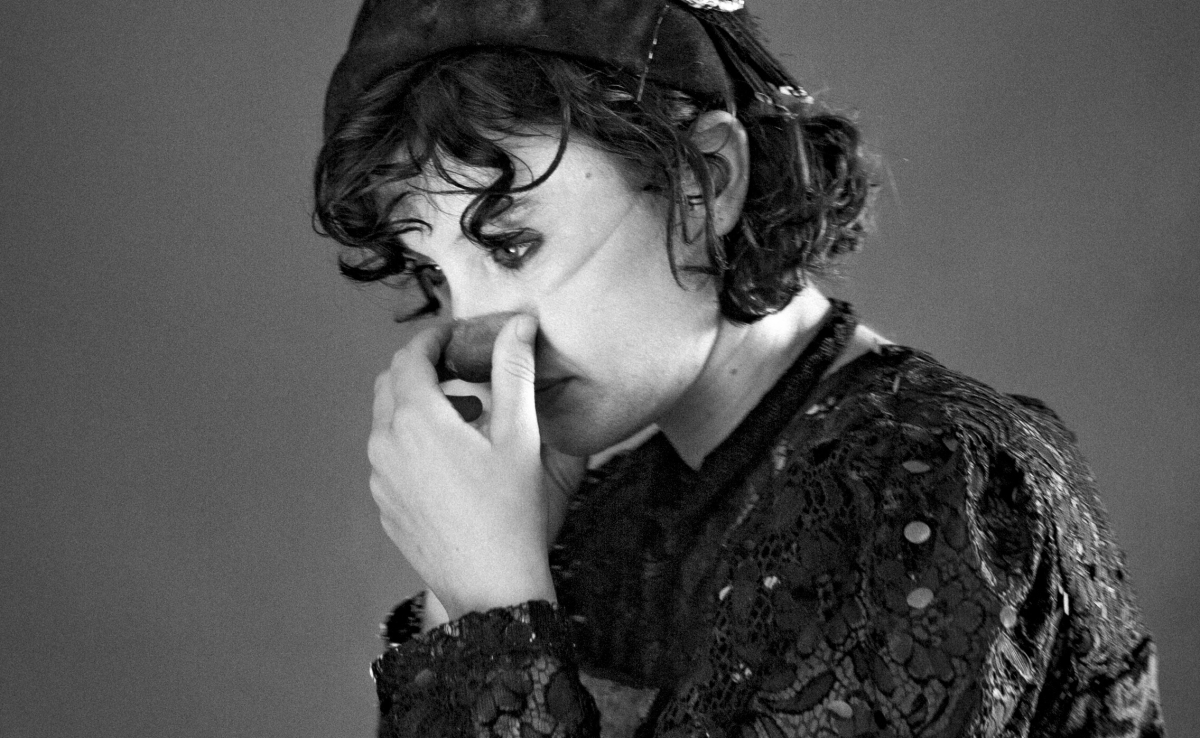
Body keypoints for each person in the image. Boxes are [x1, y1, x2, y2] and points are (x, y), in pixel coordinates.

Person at [313, 1, 1165, 735]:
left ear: (704, 182)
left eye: (510, 244)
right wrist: (459, 597)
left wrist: (491, 616)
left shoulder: (938, 479)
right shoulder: (587, 522)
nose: (469, 335)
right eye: (432, 275)